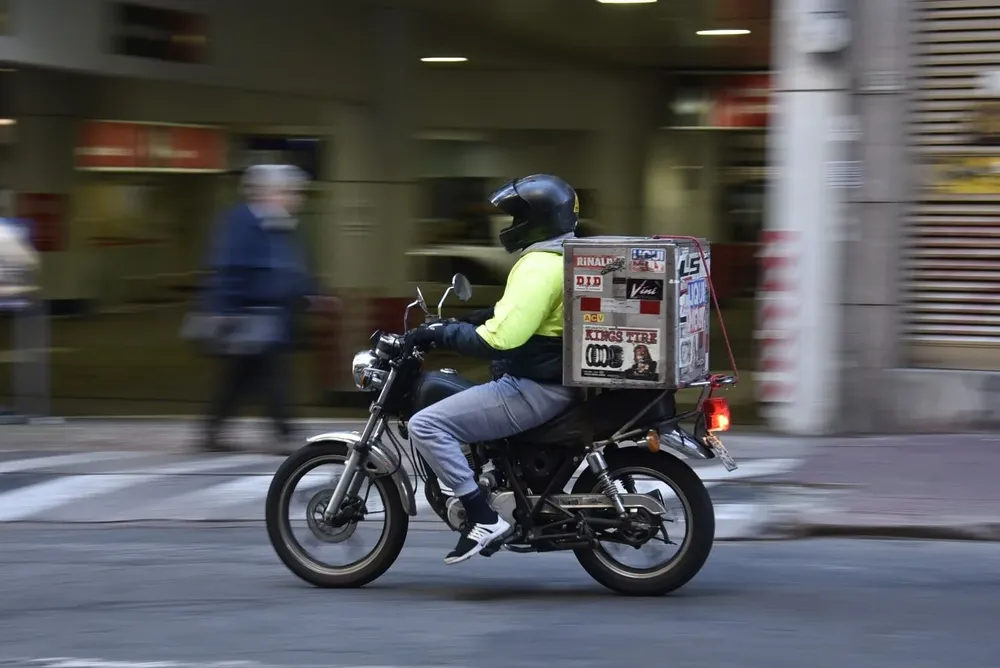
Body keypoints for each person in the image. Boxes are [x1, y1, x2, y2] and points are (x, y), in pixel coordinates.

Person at [404, 174, 582, 565]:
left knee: (426, 425)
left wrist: (443, 333)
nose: (510, 224)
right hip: (552, 382)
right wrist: (459, 322)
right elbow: (511, 314)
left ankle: (483, 519)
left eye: (517, 215)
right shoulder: (565, 256)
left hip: (535, 387)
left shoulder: (538, 265)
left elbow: (498, 339)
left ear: (539, 217)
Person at [198, 164, 337, 454]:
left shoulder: (282, 224)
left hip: (275, 316)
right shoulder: (242, 221)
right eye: (290, 192)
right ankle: (284, 431)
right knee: (271, 374)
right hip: (251, 314)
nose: (297, 198)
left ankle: (213, 428)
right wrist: (225, 308)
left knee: (240, 377)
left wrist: (313, 293)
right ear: (269, 192)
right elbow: (229, 267)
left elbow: (291, 269)